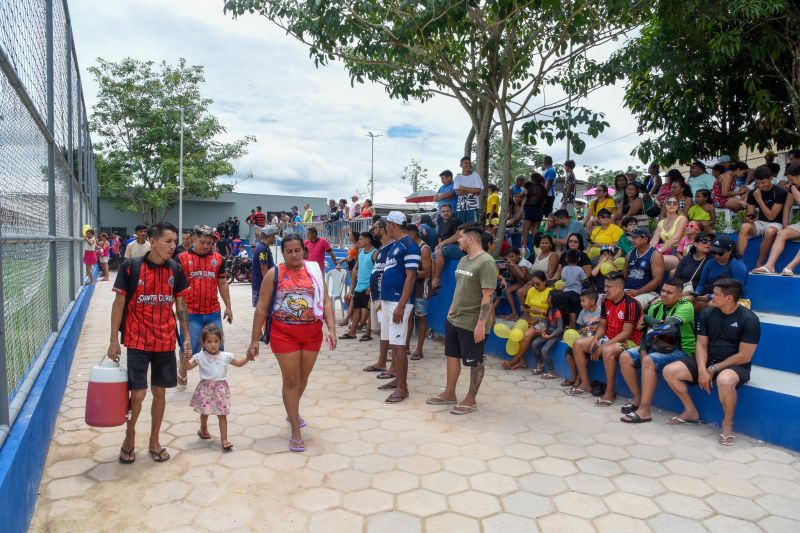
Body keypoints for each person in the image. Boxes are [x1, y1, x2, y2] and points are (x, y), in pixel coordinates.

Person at [107, 222, 191, 464]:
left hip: (165, 342)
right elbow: (119, 304)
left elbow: (181, 306)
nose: (173, 246)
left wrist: (185, 338)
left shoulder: (176, 270)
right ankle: (129, 436)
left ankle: (155, 440)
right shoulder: (130, 268)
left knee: (160, 393)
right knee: (138, 394)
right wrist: (114, 340)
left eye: (175, 241)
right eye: (168, 241)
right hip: (137, 341)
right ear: (152, 242)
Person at [247, 235, 337, 452]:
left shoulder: (314, 271)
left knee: (303, 378)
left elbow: (325, 301)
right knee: (291, 380)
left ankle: (292, 409)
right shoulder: (274, 273)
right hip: (283, 333)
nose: (294, 255)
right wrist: (254, 339)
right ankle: (295, 429)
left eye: (298, 250)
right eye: (290, 251)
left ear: (303, 251)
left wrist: (332, 328)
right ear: (283, 252)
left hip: (312, 333)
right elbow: (261, 307)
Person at [663, 279, 760, 445]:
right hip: (708, 360)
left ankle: (727, 424)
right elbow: (701, 344)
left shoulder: (749, 319)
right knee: (670, 371)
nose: (710, 297)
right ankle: (690, 411)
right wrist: (702, 369)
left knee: (725, 380)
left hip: (734, 365)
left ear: (729, 298)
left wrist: (713, 369)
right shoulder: (708, 313)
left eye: (716, 294)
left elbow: (744, 356)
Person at [426, 223, 496, 414]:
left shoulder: (486, 262)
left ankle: (471, 399)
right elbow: (460, 288)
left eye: (461, 236)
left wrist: (481, 324)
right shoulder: (464, 260)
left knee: (475, 361)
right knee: (452, 356)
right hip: (455, 318)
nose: (458, 240)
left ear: (471, 239)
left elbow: (487, 297)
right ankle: (449, 393)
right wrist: (451, 310)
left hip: (473, 322)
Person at [619, 279, 695, 424]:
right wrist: (642, 351)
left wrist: (646, 317)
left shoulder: (686, 306)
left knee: (649, 360)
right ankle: (637, 399)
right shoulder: (656, 307)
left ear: (679, 296)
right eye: (663, 291)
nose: (664, 295)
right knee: (625, 356)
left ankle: (645, 410)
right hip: (657, 346)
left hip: (682, 351)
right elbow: (647, 332)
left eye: (669, 292)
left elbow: (666, 326)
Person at [569, 272, 642, 405]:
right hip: (610, 337)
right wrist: (596, 339)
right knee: (578, 344)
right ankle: (585, 383)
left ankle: (609, 392)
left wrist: (603, 346)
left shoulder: (631, 304)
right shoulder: (606, 301)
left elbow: (626, 333)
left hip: (631, 341)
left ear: (620, 288)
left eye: (609, 287)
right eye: (605, 286)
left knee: (607, 351)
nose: (605, 290)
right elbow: (602, 326)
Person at [177, 225, 233, 382]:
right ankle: (183, 371)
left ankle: (216, 380)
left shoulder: (218, 259)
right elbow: (176, 287)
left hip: (213, 312)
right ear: (194, 239)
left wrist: (228, 307)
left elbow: (222, 282)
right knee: (189, 347)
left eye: (209, 243)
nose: (206, 246)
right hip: (190, 314)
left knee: (217, 348)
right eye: (202, 242)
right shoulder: (182, 259)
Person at [185, 325, 252, 451]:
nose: (213, 345)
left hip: (221, 389)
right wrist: (185, 360)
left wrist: (248, 357)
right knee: (205, 412)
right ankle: (203, 428)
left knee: (222, 414)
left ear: (221, 341)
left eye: (216, 341)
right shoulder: (200, 356)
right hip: (205, 388)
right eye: (209, 342)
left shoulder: (226, 356)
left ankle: (224, 440)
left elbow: (238, 363)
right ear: (203, 343)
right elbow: (188, 367)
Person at [377, 211, 421, 404]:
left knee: (399, 344)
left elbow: (411, 276)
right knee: (392, 343)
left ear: (392, 225)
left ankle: (403, 388)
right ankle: (397, 379)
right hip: (389, 300)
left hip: (398, 302)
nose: (386, 228)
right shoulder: (396, 245)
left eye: (387, 224)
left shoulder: (410, 246)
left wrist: (401, 305)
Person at [738, 165, 789, 268]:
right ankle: (738, 261)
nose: (760, 186)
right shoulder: (753, 193)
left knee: (769, 232)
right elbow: (751, 213)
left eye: (763, 183)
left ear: (771, 179)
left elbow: (771, 216)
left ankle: (759, 264)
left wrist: (759, 199)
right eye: (757, 183)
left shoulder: (780, 192)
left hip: (775, 223)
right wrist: (749, 218)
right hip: (760, 222)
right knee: (744, 227)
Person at [504, 271, 551, 370]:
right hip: (530, 317)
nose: (535, 286)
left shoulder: (550, 292)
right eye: (533, 284)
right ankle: (522, 361)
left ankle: (516, 359)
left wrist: (540, 311)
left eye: (538, 284)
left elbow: (553, 313)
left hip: (544, 320)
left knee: (526, 335)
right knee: (513, 331)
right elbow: (527, 310)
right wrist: (526, 311)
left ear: (545, 282)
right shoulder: (531, 291)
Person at [758, 163, 800, 275]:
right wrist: (786, 226)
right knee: (782, 233)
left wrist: (792, 187)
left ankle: (790, 267)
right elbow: (787, 207)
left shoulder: (793, 187)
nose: (790, 182)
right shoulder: (794, 187)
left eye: (791, 179)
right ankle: (769, 265)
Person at [364, 220, 394, 371]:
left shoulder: (393, 247)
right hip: (376, 296)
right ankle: (382, 361)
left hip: (385, 297)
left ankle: (390, 361)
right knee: (382, 330)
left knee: (387, 329)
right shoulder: (382, 248)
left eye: (374, 228)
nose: (372, 230)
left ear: (383, 229)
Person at [405, 223, 432, 360]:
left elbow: (427, 273)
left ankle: (419, 349)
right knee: (409, 317)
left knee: (420, 317)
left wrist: (409, 273)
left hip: (421, 288)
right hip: (411, 287)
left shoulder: (424, 249)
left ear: (412, 234)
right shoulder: (410, 247)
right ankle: (406, 346)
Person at [563, 289, 602, 387]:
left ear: (593, 301)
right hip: (584, 338)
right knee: (568, 354)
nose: (581, 303)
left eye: (583, 301)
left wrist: (596, 329)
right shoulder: (582, 312)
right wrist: (582, 330)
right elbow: (581, 328)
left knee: (583, 355)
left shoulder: (601, 311)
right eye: (581, 301)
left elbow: (604, 328)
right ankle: (574, 377)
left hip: (595, 341)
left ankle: (580, 381)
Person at [695, 236, 748, 308]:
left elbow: (736, 290)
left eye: (720, 253)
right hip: (713, 296)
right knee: (692, 303)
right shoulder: (710, 263)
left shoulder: (738, 265)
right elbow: (701, 284)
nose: (716, 256)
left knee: (712, 304)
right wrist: (696, 294)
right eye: (714, 252)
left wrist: (710, 296)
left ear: (730, 251)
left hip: (734, 299)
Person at [340, 232, 375, 340]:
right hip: (359, 286)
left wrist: (371, 286)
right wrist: (356, 271)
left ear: (368, 240)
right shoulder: (360, 252)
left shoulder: (375, 253)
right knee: (356, 309)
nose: (358, 242)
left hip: (368, 287)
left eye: (361, 239)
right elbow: (356, 267)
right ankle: (352, 332)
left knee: (369, 311)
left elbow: (377, 271)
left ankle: (368, 333)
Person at [530, 291, 568, 379]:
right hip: (550, 332)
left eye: (549, 297)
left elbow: (560, 328)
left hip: (557, 334)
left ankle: (552, 371)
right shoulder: (550, 309)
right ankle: (540, 364)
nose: (547, 299)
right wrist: (544, 329)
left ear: (555, 300)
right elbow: (548, 322)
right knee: (534, 343)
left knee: (545, 350)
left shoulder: (558, 312)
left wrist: (550, 336)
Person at [624, 227, 665, 310]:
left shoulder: (655, 255)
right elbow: (625, 275)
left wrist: (638, 292)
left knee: (631, 306)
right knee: (608, 301)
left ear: (645, 239)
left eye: (635, 237)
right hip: (629, 290)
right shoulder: (630, 253)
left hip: (649, 293)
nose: (632, 240)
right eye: (631, 237)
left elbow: (657, 281)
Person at [430, 203, 462, 293]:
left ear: (451, 211)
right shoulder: (440, 225)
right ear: (440, 213)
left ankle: (437, 279)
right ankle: (433, 283)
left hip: (457, 247)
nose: (446, 213)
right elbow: (440, 239)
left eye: (448, 211)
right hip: (446, 248)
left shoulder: (455, 221)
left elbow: (458, 235)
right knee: (432, 255)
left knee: (438, 253)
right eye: (443, 211)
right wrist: (438, 245)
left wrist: (443, 243)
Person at [651, 197, 687, 271]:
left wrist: (659, 251)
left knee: (654, 260)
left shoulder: (682, 219)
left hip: (677, 252)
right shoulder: (661, 222)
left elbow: (675, 238)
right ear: (665, 205)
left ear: (678, 206)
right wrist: (648, 252)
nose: (672, 205)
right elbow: (654, 241)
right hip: (663, 250)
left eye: (675, 203)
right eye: (669, 203)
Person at [497, 248, 533, 319]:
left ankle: (526, 314)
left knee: (519, 292)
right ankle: (514, 313)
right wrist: (508, 268)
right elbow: (512, 278)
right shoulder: (513, 263)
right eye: (509, 257)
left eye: (512, 257)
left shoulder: (523, 263)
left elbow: (522, 276)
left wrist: (513, 266)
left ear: (518, 255)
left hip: (530, 282)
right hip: (521, 282)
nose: (510, 259)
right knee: (507, 290)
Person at [520, 172, 547, 255]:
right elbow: (544, 202)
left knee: (525, 232)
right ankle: (537, 252)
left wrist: (523, 197)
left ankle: (523, 252)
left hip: (529, 210)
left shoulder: (529, 186)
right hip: (539, 211)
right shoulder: (543, 189)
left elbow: (522, 195)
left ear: (532, 179)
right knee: (536, 233)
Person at [560, 249, 587, 327]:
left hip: (565, 293)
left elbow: (562, 279)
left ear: (566, 259)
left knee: (566, 311)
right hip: (576, 293)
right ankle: (573, 328)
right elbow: (584, 280)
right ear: (579, 259)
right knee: (573, 311)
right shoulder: (580, 269)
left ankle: (565, 326)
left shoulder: (564, 269)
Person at [252, 225, 277, 307]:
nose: (274, 238)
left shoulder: (262, 247)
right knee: (263, 311)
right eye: (274, 235)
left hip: (260, 286)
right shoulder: (262, 249)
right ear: (270, 236)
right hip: (262, 287)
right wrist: (268, 285)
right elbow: (264, 268)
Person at [454, 157, 483, 223]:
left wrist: (464, 188)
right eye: (466, 163)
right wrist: (473, 189)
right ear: (461, 165)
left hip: (473, 207)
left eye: (470, 163)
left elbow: (478, 191)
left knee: (473, 229)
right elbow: (458, 192)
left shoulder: (476, 175)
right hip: (460, 208)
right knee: (461, 229)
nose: (468, 165)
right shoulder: (457, 178)